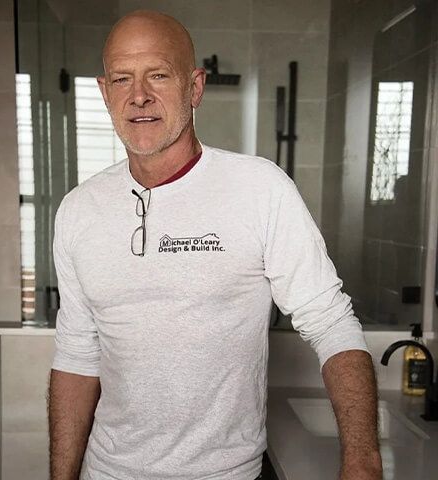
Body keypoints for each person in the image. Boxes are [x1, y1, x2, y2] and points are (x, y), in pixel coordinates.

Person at [48, 10, 382, 480]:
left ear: (194, 87)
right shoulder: (78, 211)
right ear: (105, 93)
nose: (139, 95)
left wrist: (363, 462)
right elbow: (77, 354)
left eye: (158, 75)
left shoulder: (260, 189)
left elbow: (331, 324)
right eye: (123, 78)